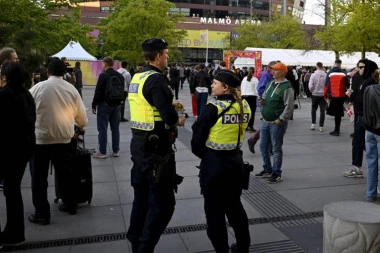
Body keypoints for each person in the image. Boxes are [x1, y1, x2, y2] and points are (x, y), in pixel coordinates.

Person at [126, 38, 186, 253]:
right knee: (163, 204)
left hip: (139, 145)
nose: (167, 58)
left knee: (141, 198)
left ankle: (135, 240)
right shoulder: (157, 80)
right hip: (157, 150)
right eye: (166, 54)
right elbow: (168, 116)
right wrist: (178, 118)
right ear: (159, 55)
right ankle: (145, 246)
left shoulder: (137, 77)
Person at [191, 69, 251, 253]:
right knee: (235, 208)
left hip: (214, 166)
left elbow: (196, 140)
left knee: (215, 213)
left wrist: (207, 157)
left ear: (225, 88)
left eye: (215, 83)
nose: (211, 85)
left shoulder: (213, 107)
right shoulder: (245, 106)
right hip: (236, 164)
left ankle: (221, 250)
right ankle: (243, 247)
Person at [28, 58, 88, 223]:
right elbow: (82, 117)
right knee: (65, 173)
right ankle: (70, 204)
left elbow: (28, 111)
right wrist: (81, 127)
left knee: (38, 179)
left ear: (48, 71)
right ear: (64, 72)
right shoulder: (71, 89)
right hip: (63, 139)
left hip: (40, 140)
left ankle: (42, 213)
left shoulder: (37, 88)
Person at [0, 62, 36, 246]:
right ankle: (16, 232)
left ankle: (13, 232)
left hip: (8, 150)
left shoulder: (5, 95)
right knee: (13, 189)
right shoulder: (26, 94)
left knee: (11, 190)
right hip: (24, 148)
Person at [256, 62, 294, 183]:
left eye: (275, 70)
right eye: (272, 69)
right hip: (265, 121)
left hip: (276, 123)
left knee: (276, 148)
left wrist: (281, 119)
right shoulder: (269, 84)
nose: (272, 72)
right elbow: (265, 98)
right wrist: (262, 102)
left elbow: (289, 106)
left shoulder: (287, 87)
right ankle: (267, 169)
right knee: (263, 146)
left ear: (282, 72)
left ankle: (276, 172)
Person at [343, 59, 378, 178]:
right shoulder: (366, 81)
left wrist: (352, 95)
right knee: (362, 142)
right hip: (363, 115)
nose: (358, 69)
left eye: (361, 67)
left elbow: (363, 100)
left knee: (360, 142)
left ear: (367, 68)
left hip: (364, 116)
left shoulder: (369, 82)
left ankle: (357, 168)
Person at [91, 56, 124, 158]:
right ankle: (116, 151)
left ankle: (102, 152)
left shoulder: (103, 75)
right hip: (116, 105)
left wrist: (94, 105)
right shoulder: (120, 75)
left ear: (105, 64)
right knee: (115, 128)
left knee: (102, 128)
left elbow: (98, 91)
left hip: (104, 105)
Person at [324, 59, 349, 136]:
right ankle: (337, 128)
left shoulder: (330, 72)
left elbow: (326, 84)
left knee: (336, 112)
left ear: (334, 63)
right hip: (341, 95)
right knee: (338, 112)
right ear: (340, 64)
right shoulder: (343, 73)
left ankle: (336, 130)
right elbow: (347, 84)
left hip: (333, 95)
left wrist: (327, 95)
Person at [309, 62, 327, 132]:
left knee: (313, 109)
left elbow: (310, 86)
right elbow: (327, 85)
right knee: (322, 110)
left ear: (316, 66)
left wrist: (312, 90)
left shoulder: (313, 75)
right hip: (322, 95)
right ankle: (321, 126)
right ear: (322, 66)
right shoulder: (325, 75)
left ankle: (313, 124)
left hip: (315, 94)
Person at [241, 67, 259, 132]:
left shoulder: (244, 79)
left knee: (245, 112)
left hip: (244, 96)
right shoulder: (255, 80)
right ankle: (250, 126)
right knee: (252, 112)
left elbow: (242, 87)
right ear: (254, 72)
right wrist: (258, 96)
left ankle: (245, 126)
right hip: (252, 96)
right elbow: (257, 89)